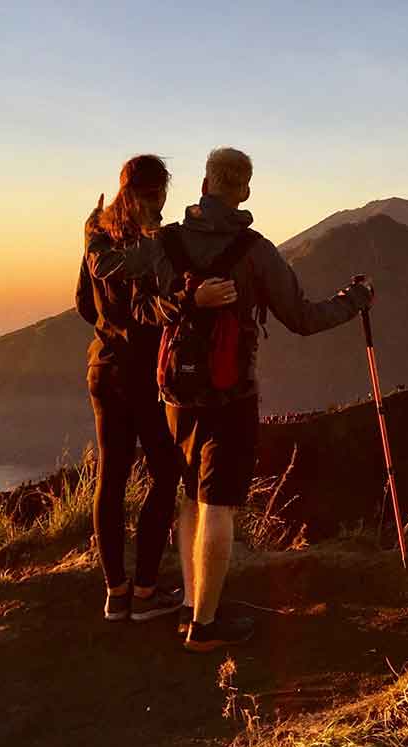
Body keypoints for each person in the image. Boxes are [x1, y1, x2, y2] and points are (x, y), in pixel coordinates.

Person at [95, 147, 374, 651]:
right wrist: (356, 301)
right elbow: (303, 319)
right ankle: (205, 625)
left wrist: (105, 225)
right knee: (217, 503)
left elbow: (106, 267)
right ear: (243, 189)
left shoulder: (164, 241)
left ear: (204, 183)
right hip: (231, 394)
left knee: (188, 497)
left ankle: (188, 604)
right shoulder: (255, 251)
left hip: (174, 391)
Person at [76, 154, 237, 622]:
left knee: (112, 475)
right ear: (156, 192)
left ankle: (115, 593)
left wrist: (110, 328)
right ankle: (145, 591)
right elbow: (156, 308)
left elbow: (84, 303)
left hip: (103, 369)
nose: (162, 201)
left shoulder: (98, 236)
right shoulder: (156, 243)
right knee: (165, 474)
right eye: (159, 193)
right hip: (144, 374)